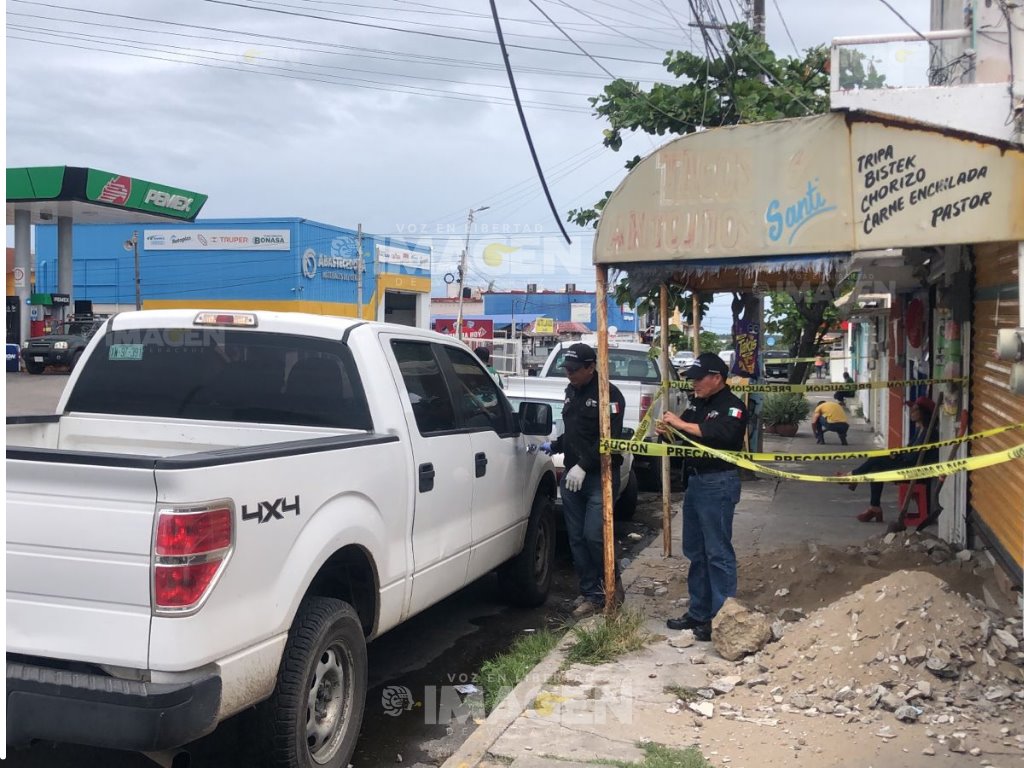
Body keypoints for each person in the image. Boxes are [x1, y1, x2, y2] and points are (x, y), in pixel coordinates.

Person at [655, 353, 748, 642]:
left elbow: (722, 437)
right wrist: (668, 432)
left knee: (717, 552)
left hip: (718, 483)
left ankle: (722, 619)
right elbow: (683, 437)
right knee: (696, 551)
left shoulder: (733, 407)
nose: (694, 383)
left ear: (717, 378)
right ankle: (699, 612)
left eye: (699, 378)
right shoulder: (697, 404)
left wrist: (681, 426)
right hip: (695, 482)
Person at [542, 343, 626, 617]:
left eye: (575, 370)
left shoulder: (609, 395)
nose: (569, 374)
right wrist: (554, 446)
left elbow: (608, 438)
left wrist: (584, 464)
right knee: (577, 539)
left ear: (591, 367)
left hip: (598, 476)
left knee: (596, 536)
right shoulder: (571, 391)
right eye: (566, 369)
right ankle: (590, 593)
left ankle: (612, 590)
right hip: (572, 477)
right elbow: (575, 432)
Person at [839, 395, 938, 523]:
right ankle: (874, 507)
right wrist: (896, 455)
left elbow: (913, 458)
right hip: (908, 465)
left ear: (923, 413)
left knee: (877, 459)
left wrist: (896, 457)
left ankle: (852, 477)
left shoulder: (929, 434)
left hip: (915, 471)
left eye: (915, 410)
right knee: (876, 469)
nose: (911, 413)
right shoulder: (920, 430)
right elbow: (908, 451)